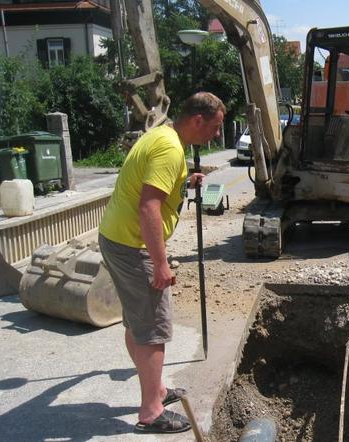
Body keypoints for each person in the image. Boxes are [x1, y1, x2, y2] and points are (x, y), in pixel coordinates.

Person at [98, 92, 225, 434]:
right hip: (132, 244)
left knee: (138, 324)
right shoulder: (170, 149)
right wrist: (160, 264)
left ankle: (157, 390)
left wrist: (184, 183)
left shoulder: (162, 135)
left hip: (116, 237)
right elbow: (148, 207)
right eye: (214, 128)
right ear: (197, 120)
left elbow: (154, 189)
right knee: (153, 329)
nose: (215, 136)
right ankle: (151, 411)